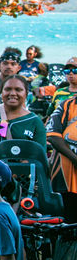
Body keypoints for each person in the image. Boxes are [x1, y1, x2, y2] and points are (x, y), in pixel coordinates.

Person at [0, 76, 46, 149]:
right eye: (8, 89)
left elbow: (40, 155)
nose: (13, 93)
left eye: (18, 90)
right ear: (1, 92)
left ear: (26, 94)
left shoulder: (34, 122)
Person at [48, 90, 77, 224]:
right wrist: (74, 158)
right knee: (68, 221)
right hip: (66, 175)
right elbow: (53, 135)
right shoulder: (66, 105)